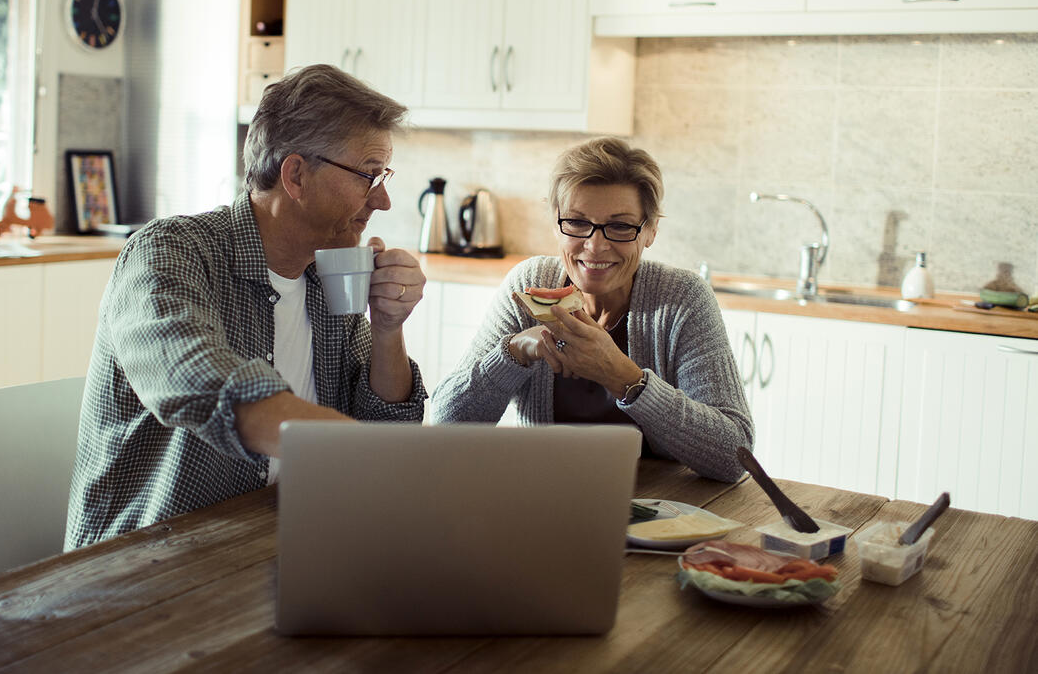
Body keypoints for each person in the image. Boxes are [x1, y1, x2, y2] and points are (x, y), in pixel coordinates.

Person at [66, 64, 428, 548]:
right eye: (368, 175)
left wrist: (388, 328)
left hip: (281, 543)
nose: (382, 200)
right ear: (296, 175)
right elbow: (200, 381)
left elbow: (387, 426)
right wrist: (363, 456)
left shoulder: (329, 274)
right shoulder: (169, 253)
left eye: (382, 176)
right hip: (146, 564)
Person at [430, 137, 752, 481]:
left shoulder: (682, 299)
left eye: (620, 226)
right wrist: (513, 353)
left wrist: (622, 376)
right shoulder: (529, 283)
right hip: (543, 501)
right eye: (577, 222)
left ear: (650, 230)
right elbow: (447, 424)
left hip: (660, 516)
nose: (595, 246)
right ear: (556, 223)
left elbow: (735, 457)